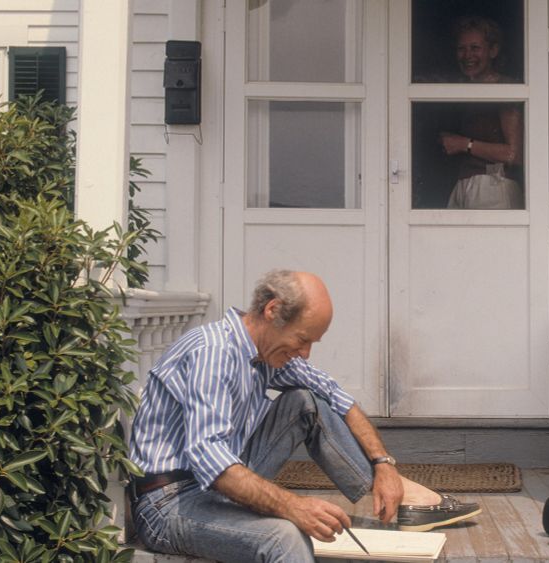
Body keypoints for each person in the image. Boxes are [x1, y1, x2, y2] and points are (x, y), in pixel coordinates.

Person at [129, 270, 481, 562]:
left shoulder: (263, 352)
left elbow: (336, 397)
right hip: (171, 505)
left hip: (216, 483)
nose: (306, 353)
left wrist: (384, 465)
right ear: (272, 310)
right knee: (284, 536)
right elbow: (212, 463)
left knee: (305, 401)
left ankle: (397, 494)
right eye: (302, 339)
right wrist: (292, 506)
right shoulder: (214, 353)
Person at [439, 15, 524, 209]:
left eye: (475, 48)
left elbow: (514, 153)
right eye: (462, 48)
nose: (467, 55)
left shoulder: (504, 88)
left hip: (494, 186)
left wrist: (464, 144)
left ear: (493, 50)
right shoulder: (463, 90)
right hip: (464, 185)